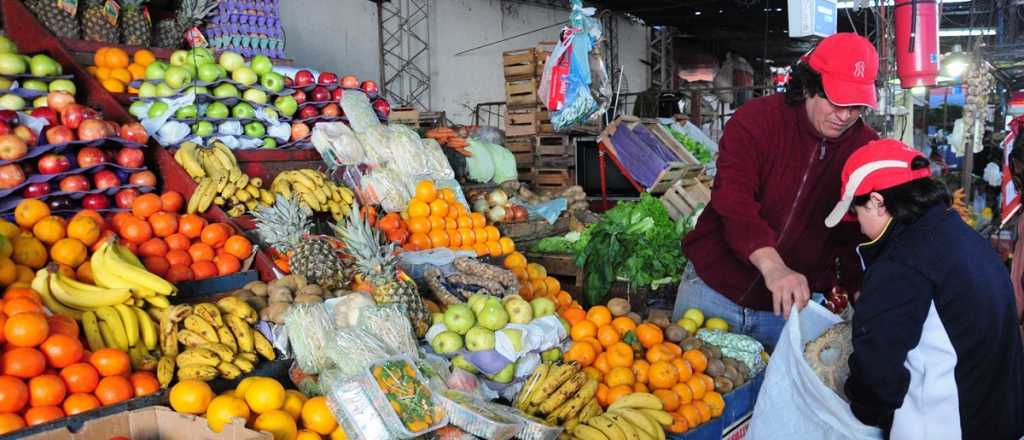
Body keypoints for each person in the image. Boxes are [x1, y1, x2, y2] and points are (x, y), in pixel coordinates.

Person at [673, 32, 879, 347]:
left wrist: (860, 288)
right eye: (836, 101)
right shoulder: (756, 120)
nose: (844, 116)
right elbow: (733, 199)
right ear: (810, 84)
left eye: (856, 106)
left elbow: (857, 234)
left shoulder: (865, 148)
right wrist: (773, 266)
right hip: (712, 291)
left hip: (789, 312)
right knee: (687, 391)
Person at [827, 139, 1024, 439]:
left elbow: (877, 377)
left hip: (947, 426)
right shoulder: (959, 236)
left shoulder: (901, 263)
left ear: (879, 203)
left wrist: (856, 406)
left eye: (859, 213)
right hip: (999, 419)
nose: (860, 227)